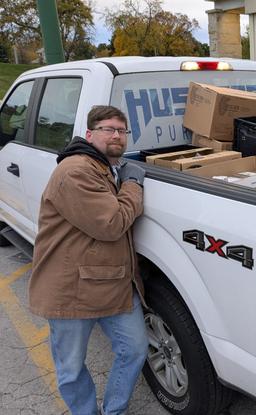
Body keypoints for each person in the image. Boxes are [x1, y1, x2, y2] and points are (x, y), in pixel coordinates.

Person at [28, 105, 148, 415]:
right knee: (71, 367)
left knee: (134, 349)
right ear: (89, 133)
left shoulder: (104, 166)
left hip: (111, 283)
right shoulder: (77, 170)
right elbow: (110, 224)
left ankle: (114, 410)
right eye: (109, 129)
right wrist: (133, 185)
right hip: (70, 290)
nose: (117, 136)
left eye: (122, 131)